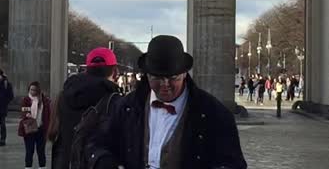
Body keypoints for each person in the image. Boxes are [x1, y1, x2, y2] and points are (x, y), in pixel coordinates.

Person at [87, 35, 247, 169]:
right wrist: (104, 161)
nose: (165, 84)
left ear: (184, 73)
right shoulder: (125, 107)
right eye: (156, 78)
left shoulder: (215, 114)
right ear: (147, 75)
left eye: (172, 78)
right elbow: (98, 143)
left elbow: (233, 163)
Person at [51, 47, 120, 169]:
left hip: (66, 163)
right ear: (114, 71)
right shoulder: (113, 100)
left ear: (87, 69)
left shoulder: (64, 94)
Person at [19, 81, 51, 169]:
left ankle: (42, 167)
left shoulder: (44, 100)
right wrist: (27, 114)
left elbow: (48, 114)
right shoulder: (26, 99)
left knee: (41, 151)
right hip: (29, 129)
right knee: (29, 151)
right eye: (30, 90)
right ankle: (28, 167)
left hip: (41, 129)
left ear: (38, 91)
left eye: (34, 90)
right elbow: (23, 111)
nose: (32, 92)